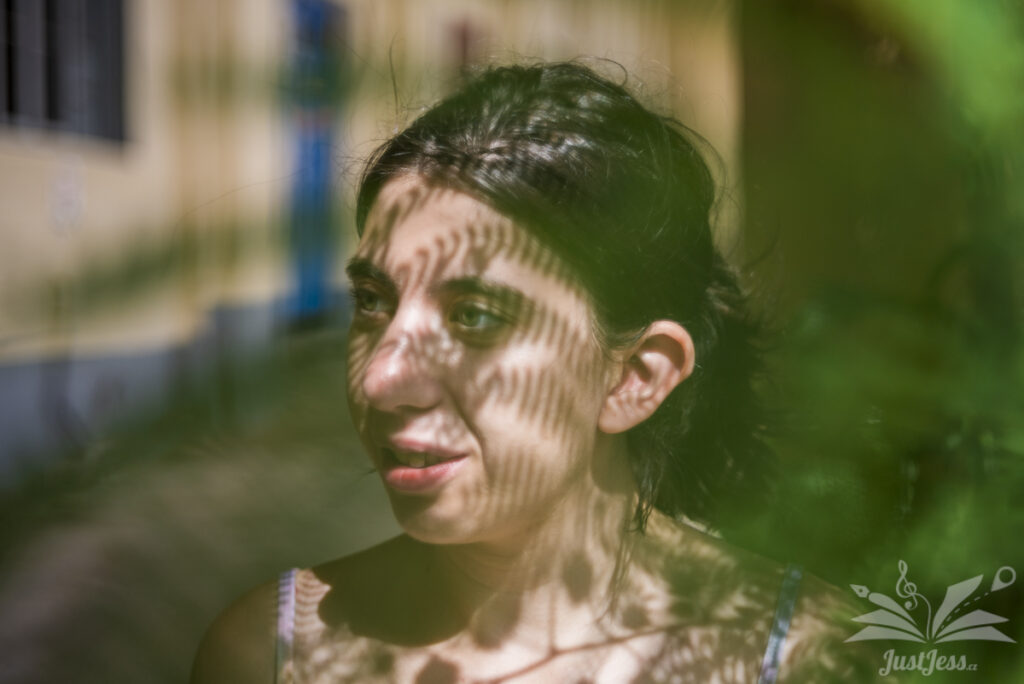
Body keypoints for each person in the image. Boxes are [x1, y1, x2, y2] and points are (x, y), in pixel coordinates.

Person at [191, 61, 874, 683]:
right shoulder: (271, 654)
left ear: (636, 376)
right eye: (372, 303)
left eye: (476, 317)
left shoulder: (803, 659)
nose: (382, 379)